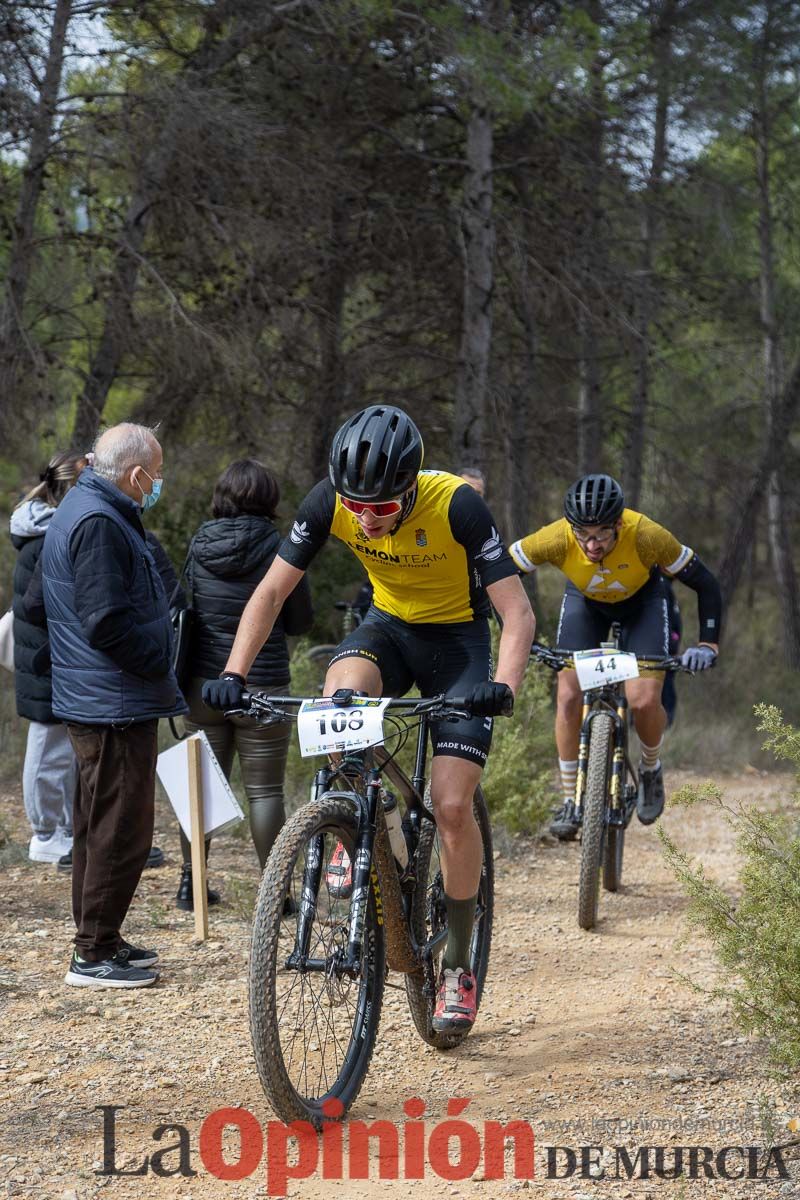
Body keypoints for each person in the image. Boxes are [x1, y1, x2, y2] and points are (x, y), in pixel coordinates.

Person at [203, 405, 535, 1033]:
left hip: (456, 647)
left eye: (381, 507)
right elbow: (272, 592)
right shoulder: (330, 501)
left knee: (453, 806)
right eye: (355, 507)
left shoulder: (457, 505)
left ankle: (459, 961)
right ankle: (363, 827)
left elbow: (516, 615)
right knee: (338, 706)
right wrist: (233, 674)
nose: (366, 519)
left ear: (410, 484)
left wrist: (502, 686)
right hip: (386, 629)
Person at [41, 422, 186, 989]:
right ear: (135, 475)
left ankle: (102, 937)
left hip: (103, 697)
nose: (158, 483)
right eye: (157, 473)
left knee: (100, 823)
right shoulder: (100, 522)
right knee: (119, 829)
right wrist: (158, 658)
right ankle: (92, 951)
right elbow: (104, 621)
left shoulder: (89, 507)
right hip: (113, 700)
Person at [509, 474, 721, 838]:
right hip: (585, 606)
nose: (591, 545)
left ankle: (651, 768)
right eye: (583, 535)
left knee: (643, 700)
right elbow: (499, 574)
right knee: (568, 695)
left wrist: (707, 644)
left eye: (602, 535)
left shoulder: (647, 535)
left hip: (643, 606)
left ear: (619, 525)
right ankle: (571, 798)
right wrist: (515, 633)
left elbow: (707, 583)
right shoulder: (556, 537)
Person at [175, 459, 313, 910]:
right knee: (265, 791)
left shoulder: (199, 544)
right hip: (264, 684)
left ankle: (190, 884)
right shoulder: (281, 546)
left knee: (200, 785)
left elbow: (186, 606)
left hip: (204, 683)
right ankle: (276, 895)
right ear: (269, 499)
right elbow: (298, 622)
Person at [10, 452, 86, 863]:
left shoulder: (48, 531)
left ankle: (60, 829)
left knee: (60, 747)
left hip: (49, 656)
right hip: (46, 657)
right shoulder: (47, 537)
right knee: (47, 745)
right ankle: (44, 833)